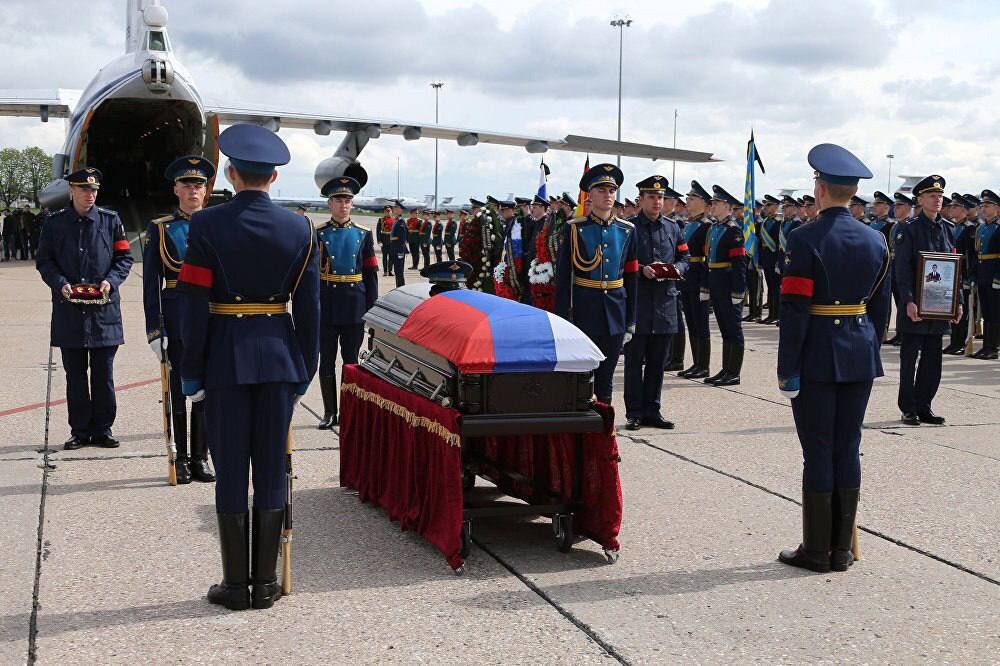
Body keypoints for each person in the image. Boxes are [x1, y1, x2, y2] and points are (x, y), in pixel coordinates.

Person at [176, 123, 320, 611]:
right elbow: (311, 310)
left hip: (225, 360)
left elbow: (193, 303)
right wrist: (304, 369)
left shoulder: (206, 225)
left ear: (231, 174)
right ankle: (266, 585)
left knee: (233, 468)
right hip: (280, 360)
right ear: (273, 179)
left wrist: (189, 370)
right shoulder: (300, 228)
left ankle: (236, 584)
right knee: (273, 469)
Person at [776, 143, 891, 574]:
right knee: (849, 447)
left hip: (818, 355)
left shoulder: (803, 238)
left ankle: (816, 550)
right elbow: (880, 305)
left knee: (819, 450)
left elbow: (794, 309)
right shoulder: (875, 238)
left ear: (821, 188)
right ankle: (841, 549)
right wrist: (868, 347)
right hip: (859, 352)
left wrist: (787, 368)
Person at [36, 168, 133, 449]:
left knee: (103, 375)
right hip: (70, 311)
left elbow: (124, 258)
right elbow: (45, 261)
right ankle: (79, 430)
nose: (89, 195)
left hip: (104, 312)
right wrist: (60, 283)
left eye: (93, 190)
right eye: (83, 190)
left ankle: (103, 428)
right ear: (71, 191)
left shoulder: (111, 221)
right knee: (75, 375)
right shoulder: (55, 224)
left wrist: (111, 282)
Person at [142, 155, 217, 483]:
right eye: (187, 184)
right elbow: (150, 286)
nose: (193, 190)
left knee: (206, 389)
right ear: (176, 189)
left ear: (206, 190)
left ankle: (201, 457)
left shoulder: (217, 227)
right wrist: (155, 329)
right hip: (176, 316)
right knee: (176, 389)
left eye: (198, 184)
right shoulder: (160, 229)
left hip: (212, 317)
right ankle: (181, 457)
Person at [555, 163, 637, 404]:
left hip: (615, 311)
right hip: (584, 309)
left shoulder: (627, 230)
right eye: (602, 190)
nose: (608, 195)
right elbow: (563, 279)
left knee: (607, 377)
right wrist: (563, 318)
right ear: (589, 195)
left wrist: (630, 320)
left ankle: (604, 427)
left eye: (612, 191)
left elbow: (632, 279)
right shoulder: (575, 229)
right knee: (582, 375)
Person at [893, 175, 961, 425]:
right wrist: (908, 301)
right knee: (910, 358)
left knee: (933, 359)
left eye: (940, 196)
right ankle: (908, 407)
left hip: (940, 305)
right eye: (932, 196)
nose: (938, 200)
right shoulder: (908, 229)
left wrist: (958, 302)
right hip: (916, 306)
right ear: (920, 200)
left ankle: (924, 405)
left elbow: (954, 270)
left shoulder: (948, 229)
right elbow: (902, 270)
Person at [623, 175, 689, 430]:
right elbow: (619, 262)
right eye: (651, 197)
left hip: (664, 305)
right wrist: (641, 270)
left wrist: (676, 269)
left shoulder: (673, 227)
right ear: (641, 199)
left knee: (657, 363)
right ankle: (635, 412)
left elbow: (686, 256)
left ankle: (653, 410)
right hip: (638, 304)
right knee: (633, 362)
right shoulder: (628, 227)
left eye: (660, 197)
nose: (657, 201)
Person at [315, 170, 379, 429]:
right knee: (327, 360)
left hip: (354, 306)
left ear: (352, 204)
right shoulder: (318, 233)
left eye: (347, 201)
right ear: (329, 203)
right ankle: (330, 412)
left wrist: (372, 310)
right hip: (327, 306)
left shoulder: (363, 233)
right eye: (338, 200)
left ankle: (350, 412)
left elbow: (371, 274)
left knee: (351, 362)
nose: (343, 205)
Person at [702, 185, 747, 386]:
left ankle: (733, 372)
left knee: (733, 329)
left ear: (728, 206)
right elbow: (707, 260)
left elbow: (739, 264)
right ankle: (725, 369)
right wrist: (706, 286)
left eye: (717, 203)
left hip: (728, 285)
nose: (713, 206)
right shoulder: (714, 228)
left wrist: (738, 290)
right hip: (716, 282)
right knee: (724, 329)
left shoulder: (734, 230)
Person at [677, 181, 714, 378]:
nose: (688, 202)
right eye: (688, 198)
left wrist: (705, 286)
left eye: (692, 199)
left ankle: (704, 364)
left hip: (699, 279)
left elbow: (708, 259)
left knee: (701, 322)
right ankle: (696, 362)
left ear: (704, 203)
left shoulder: (707, 227)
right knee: (691, 321)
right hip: (687, 279)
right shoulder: (689, 225)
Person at [946, 194, 978, 355]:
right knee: (952, 309)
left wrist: (970, 276)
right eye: (951, 206)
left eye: (955, 207)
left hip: (963, 273)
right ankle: (954, 341)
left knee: (963, 311)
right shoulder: (951, 226)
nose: (952, 209)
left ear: (964, 210)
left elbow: (972, 255)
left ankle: (962, 342)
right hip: (951, 272)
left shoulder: (970, 229)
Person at [972, 189, 1000, 359]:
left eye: (988, 205)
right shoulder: (982, 228)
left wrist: (998, 277)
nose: (984, 208)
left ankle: (993, 347)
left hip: (994, 274)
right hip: (983, 272)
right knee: (986, 313)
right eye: (983, 205)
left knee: (995, 313)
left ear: (997, 208)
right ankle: (986, 346)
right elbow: (977, 254)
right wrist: (974, 275)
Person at [758, 195, 782, 324]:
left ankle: (776, 314)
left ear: (776, 207)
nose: (765, 208)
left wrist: (779, 261)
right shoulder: (765, 222)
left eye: (768, 205)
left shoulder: (779, 222)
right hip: (766, 258)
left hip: (774, 258)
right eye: (765, 205)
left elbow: (780, 244)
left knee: (776, 288)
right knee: (771, 286)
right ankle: (771, 314)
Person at [390, 201, 409, 288]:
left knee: (399, 270)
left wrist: (400, 251)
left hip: (399, 250)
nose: (394, 209)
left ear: (400, 210)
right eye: (394, 208)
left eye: (396, 208)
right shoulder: (396, 221)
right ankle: (399, 287)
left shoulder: (401, 222)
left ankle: (401, 287)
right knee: (397, 270)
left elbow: (402, 238)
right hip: (395, 248)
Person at [378, 205, 394, 277]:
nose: (388, 212)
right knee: (384, 256)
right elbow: (378, 231)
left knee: (391, 257)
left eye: (389, 211)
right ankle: (385, 271)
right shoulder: (381, 219)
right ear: (384, 212)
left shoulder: (394, 220)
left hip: (392, 240)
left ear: (391, 212)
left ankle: (390, 271)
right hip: (384, 240)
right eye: (386, 211)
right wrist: (379, 241)